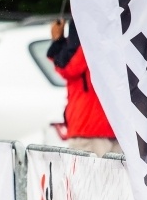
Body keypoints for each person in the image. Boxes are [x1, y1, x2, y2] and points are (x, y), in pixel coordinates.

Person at [47, 18, 121, 157]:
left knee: (85, 178)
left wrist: (58, 41)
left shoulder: (86, 21)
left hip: (89, 127)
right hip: (117, 126)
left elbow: (68, 65)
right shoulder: (117, 22)